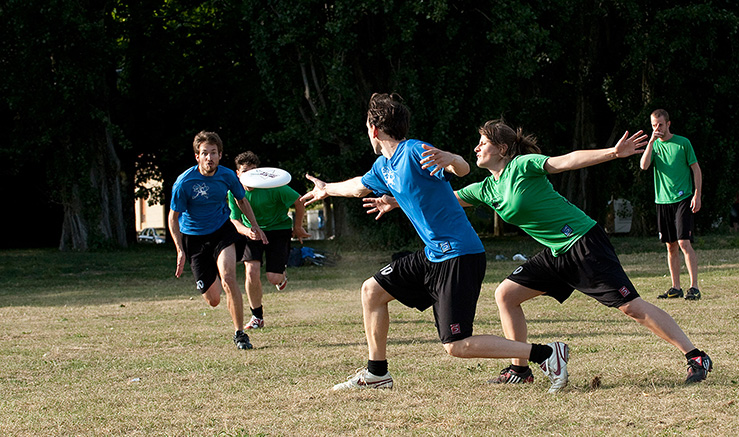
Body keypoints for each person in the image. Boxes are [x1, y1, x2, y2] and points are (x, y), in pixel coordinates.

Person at [374, 119, 711, 385]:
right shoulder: (487, 188)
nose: (477, 147)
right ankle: (520, 370)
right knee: (506, 294)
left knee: (631, 308)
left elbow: (565, 161)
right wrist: (394, 199)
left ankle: (695, 355)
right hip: (555, 253)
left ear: (502, 148)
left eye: (484, 142)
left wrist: (612, 153)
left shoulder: (523, 166)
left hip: (582, 242)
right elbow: (440, 201)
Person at [301, 93, 570, 393]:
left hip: (459, 255)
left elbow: (462, 168)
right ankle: (377, 373)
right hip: (433, 256)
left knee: (456, 345)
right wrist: (327, 189)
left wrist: (453, 159)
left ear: (374, 130)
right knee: (372, 291)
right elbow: (358, 187)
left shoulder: (414, 151)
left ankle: (546, 354)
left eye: (367, 127)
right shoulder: (383, 166)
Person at [168, 131, 267, 350]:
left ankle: (240, 334)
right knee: (213, 300)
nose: (209, 158)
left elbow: (242, 201)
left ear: (220, 155)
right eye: (205, 153)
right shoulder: (184, 182)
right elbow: (173, 218)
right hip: (194, 239)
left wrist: (255, 226)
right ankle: (210, 275)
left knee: (229, 278)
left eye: (213, 153)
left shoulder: (227, 176)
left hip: (222, 232)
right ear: (197, 156)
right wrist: (180, 250)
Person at [228, 151, 311, 330]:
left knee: (274, 278)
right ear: (237, 174)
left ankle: (281, 275)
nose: (250, 176)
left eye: (253, 171)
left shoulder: (274, 186)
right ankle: (257, 317)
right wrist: (247, 231)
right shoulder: (233, 191)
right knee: (251, 272)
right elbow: (234, 219)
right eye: (245, 171)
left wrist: (297, 227)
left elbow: (299, 201)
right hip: (252, 232)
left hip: (279, 230)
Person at [639, 109, 703, 300]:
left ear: (668, 124)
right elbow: (643, 165)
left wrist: (697, 195)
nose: (657, 128)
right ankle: (676, 287)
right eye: (653, 125)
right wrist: (650, 142)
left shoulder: (683, 143)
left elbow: (696, 169)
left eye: (660, 124)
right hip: (662, 201)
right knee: (670, 246)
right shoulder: (654, 146)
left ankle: (694, 287)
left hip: (683, 198)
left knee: (684, 242)